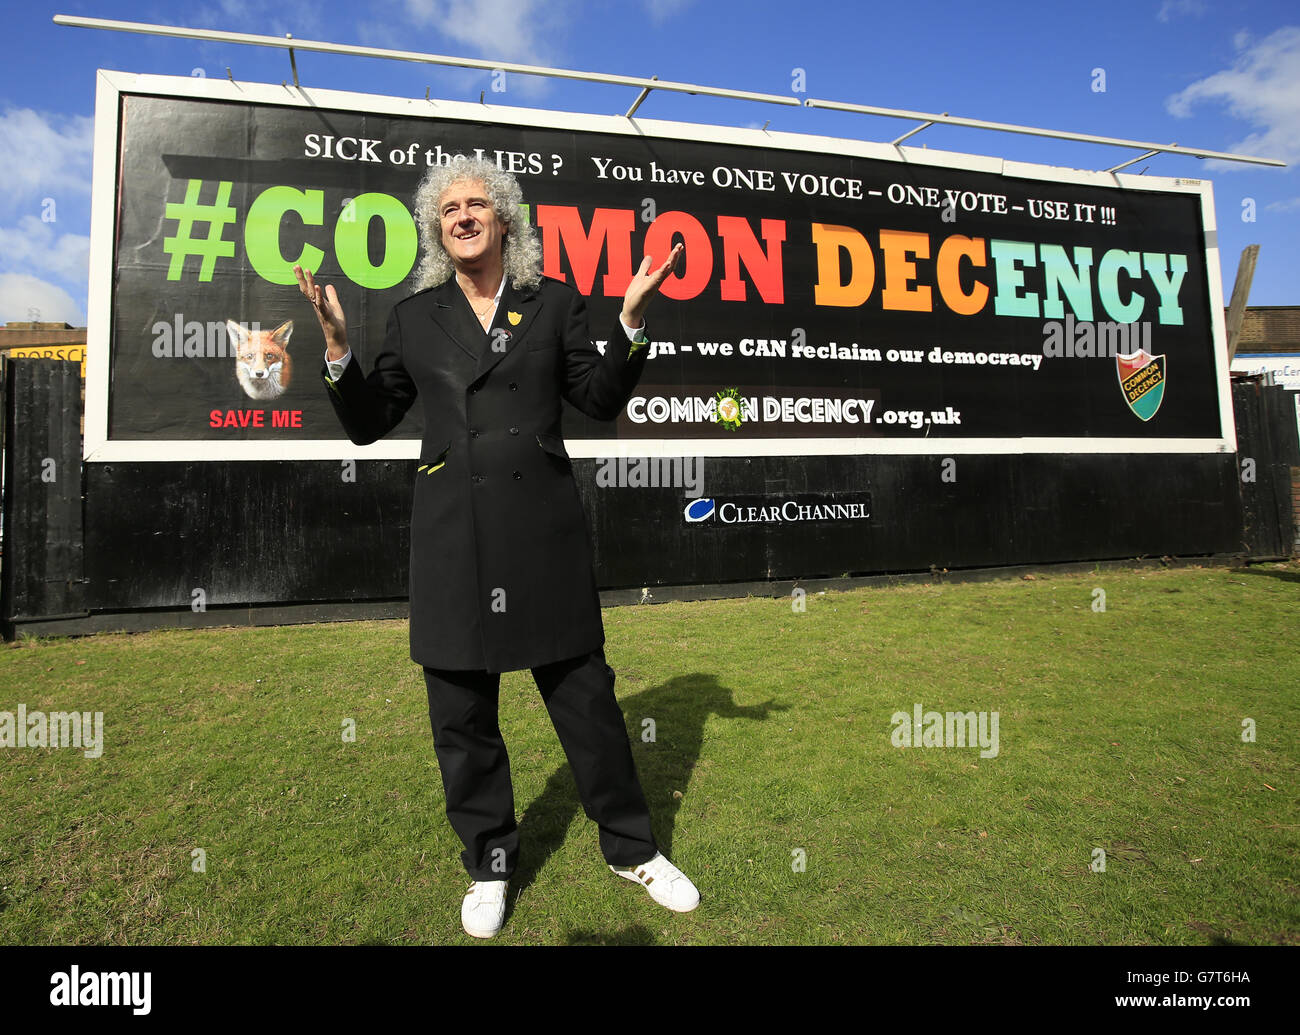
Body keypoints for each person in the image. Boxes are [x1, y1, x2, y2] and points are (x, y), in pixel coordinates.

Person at [294, 155, 694, 939]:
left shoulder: (554, 305)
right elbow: (372, 419)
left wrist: (633, 320)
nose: (464, 215)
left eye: (478, 203)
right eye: (449, 210)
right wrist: (337, 347)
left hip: (540, 532)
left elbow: (600, 397)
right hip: (452, 540)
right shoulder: (415, 317)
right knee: (462, 717)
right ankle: (490, 863)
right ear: (437, 230)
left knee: (588, 702)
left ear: (505, 218)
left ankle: (633, 847)